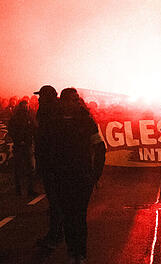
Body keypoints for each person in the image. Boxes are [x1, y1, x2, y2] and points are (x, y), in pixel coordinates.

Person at [34, 88, 105, 264]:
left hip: (82, 177)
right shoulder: (53, 124)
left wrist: (95, 175)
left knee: (79, 216)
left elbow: (100, 148)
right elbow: (43, 150)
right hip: (61, 177)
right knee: (67, 216)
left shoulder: (86, 122)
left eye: (77, 100)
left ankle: (79, 253)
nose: (77, 103)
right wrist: (48, 172)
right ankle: (72, 252)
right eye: (73, 100)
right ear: (64, 102)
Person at [33, 85, 64, 249]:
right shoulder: (55, 110)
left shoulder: (49, 112)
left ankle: (55, 236)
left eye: (40, 96)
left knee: (55, 201)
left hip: (52, 163)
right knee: (58, 200)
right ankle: (58, 233)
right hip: (55, 162)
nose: (38, 99)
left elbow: (47, 139)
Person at [7, 100, 37, 196]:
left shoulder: (22, 117)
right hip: (23, 145)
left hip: (22, 145)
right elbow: (33, 128)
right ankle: (28, 189)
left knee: (21, 168)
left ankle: (20, 189)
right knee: (28, 168)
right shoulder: (21, 118)